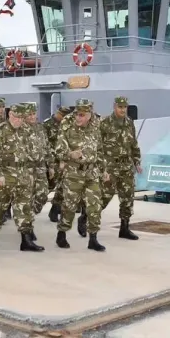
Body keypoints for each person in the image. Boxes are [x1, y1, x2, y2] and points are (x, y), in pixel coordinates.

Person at [0, 103, 42, 252]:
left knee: (24, 207)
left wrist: (31, 173)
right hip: (5, 176)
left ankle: (26, 241)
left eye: (22, 118)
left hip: (23, 175)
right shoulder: (0, 131)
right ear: (10, 114)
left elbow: (32, 154)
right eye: (16, 117)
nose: (19, 120)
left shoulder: (26, 130)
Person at [55, 99, 109, 252]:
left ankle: (93, 239)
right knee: (69, 206)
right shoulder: (67, 125)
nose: (78, 118)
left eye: (82, 115)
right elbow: (58, 150)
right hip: (74, 173)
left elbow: (99, 150)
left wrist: (103, 170)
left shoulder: (95, 125)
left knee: (95, 206)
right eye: (77, 114)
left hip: (91, 173)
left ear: (89, 115)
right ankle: (62, 233)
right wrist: (69, 154)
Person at [99, 96, 141, 240]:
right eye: (120, 107)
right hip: (110, 166)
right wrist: (101, 166)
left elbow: (133, 144)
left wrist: (137, 161)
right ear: (114, 107)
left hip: (126, 166)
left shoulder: (129, 123)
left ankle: (124, 228)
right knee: (105, 196)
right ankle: (86, 217)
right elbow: (97, 145)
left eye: (125, 107)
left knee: (127, 198)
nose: (123, 110)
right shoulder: (104, 123)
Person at [25, 103, 53, 240]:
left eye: (33, 114)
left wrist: (51, 165)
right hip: (26, 168)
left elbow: (47, 147)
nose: (32, 117)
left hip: (40, 167)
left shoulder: (40, 128)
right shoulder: (20, 130)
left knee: (42, 195)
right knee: (27, 198)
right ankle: (28, 226)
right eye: (29, 114)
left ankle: (29, 216)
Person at [44, 106, 73, 222]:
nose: (64, 117)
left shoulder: (68, 125)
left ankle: (55, 209)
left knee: (63, 185)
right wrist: (49, 162)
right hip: (51, 160)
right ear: (58, 113)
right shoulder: (47, 124)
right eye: (63, 115)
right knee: (50, 186)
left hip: (64, 160)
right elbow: (44, 143)